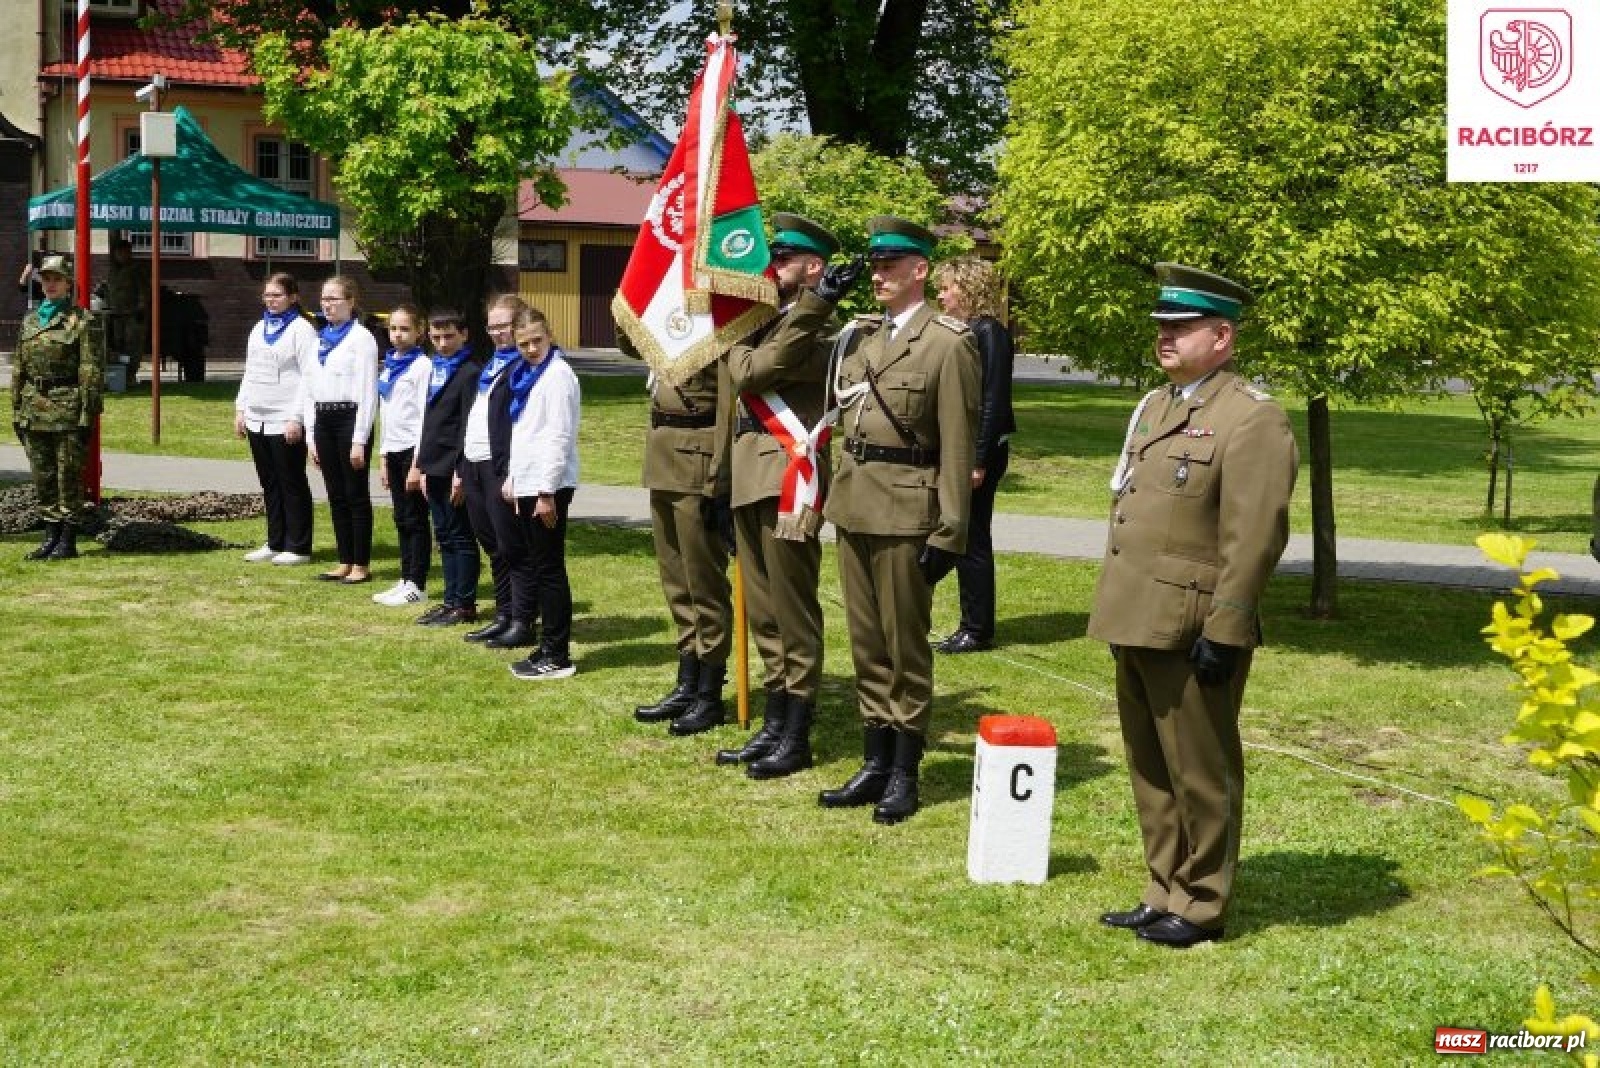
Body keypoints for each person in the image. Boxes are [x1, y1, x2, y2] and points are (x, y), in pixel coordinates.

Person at [1089, 263, 1298, 949]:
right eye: (1162, 327)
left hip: (1192, 624)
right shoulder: (1158, 404)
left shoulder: (1252, 418)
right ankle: (1164, 887)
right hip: (1138, 614)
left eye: (1181, 328)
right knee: (1151, 763)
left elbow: (1255, 534)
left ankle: (1204, 901)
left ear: (1223, 336)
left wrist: (1229, 624)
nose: (1166, 338)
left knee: (1200, 770)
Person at [817, 216, 980, 825]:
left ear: (920, 271)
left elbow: (959, 445)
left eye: (891, 265)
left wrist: (951, 531)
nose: (878, 274)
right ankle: (875, 759)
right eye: (875, 264)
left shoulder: (947, 342)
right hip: (856, 504)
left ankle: (905, 771)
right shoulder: (861, 338)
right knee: (866, 643)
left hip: (910, 512)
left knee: (904, 646)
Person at [712, 213, 855, 776]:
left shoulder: (822, 330)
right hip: (752, 475)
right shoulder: (773, 319)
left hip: (788, 477)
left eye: (785, 257)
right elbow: (739, 369)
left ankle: (795, 732)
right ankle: (775, 725)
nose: (771, 266)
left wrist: (816, 305)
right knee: (766, 612)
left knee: (793, 612)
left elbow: (751, 371)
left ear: (813, 267)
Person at [628, 330, 733, 735]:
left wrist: (720, 478)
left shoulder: (722, 326)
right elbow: (627, 339)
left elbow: (727, 407)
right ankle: (687, 680)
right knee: (676, 581)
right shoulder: (666, 321)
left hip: (698, 460)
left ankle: (709, 690)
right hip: (664, 456)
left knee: (703, 582)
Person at [930, 256, 1017, 654]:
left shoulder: (990, 332)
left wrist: (977, 460)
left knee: (972, 537)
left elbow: (993, 403)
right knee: (959, 533)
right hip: (959, 448)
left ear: (968, 288)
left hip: (979, 452)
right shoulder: (958, 331)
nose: (941, 294)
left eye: (948, 286)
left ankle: (977, 628)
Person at [502, 307, 582, 680]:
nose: (531, 348)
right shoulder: (528, 374)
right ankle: (548, 644)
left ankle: (557, 653)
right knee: (537, 563)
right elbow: (525, 433)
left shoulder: (558, 376)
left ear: (549, 335)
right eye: (523, 343)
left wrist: (546, 491)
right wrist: (515, 478)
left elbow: (558, 437)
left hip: (548, 485)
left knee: (549, 569)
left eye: (537, 340)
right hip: (530, 482)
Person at [11, 254, 104, 561]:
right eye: (46, 279)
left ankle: (68, 539)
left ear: (68, 284)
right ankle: (49, 537)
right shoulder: (31, 319)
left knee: (68, 476)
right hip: (33, 408)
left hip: (66, 408)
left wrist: (88, 413)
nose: (50, 284)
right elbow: (19, 367)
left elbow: (90, 370)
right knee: (43, 475)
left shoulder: (82, 321)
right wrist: (16, 407)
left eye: (57, 279)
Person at [459, 294, 538, 650]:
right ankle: (503, 615)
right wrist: (462, 467)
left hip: (501, 465)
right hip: (475, 462)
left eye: (503, 326)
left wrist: (514, 472)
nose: (496, 334)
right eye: (491, 327)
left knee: (513, 547)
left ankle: (523, 620)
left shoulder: (525, 365)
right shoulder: (491, 363)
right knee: (492, 544)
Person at [235, 272, 317, 566]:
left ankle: (298, 545)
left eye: (277, 295)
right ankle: (275, 540)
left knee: (290, 481)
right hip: (258, 415)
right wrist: (241, 409)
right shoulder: (259, 328)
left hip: (285, 418)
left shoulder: (302, 330)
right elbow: (251, 370)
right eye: (267, 295)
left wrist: (296, 417)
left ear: (293, 297)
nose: (271, 300)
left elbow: (309, 377)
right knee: (269, 482)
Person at [410, 308, 484, 627]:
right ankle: (450, 599)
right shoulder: (435, 368)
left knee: (460, 535)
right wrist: (423, 466)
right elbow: (430, 422)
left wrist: (460, 472)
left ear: (464, 335)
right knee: (444, 535)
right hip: (434, 464)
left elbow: (468, 424)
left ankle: (464, 604)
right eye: (436, 337)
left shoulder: (469, 371)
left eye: (449, 336)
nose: (441, 343)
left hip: (454, 466)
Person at [303, 275, 379, 584]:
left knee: (355, 493)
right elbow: (309, 388)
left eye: (334, 299)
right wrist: (311, 434)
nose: (328, 304)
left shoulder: (362, 339)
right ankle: (344, 559)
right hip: (324, 419)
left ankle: (361, 563)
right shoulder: (319, 338)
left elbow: (367, 391)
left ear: (351, 302)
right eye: (324, 299)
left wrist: (360, 438)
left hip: (350, 418)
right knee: (335, 494)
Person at [373, 303, 434, 607]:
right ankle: (405, 577)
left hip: (412, 451)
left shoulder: (422, 367)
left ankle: (418, 582)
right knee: (401, 517)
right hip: (393, 448)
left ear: (419, 332)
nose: (397, 335)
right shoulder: (390, 363)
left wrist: (417, 464)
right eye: (393, 329)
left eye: (404, 329)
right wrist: (383, 456)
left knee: (415, 518)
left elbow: (424, 416)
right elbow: (387, 412)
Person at [104, 238, 149, 385]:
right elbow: (109, 290)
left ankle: (130, 375)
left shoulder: (137, 269)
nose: (121, 256)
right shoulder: (113, 272)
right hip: (116, 315)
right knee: (118, 346)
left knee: (133, 346)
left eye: (124, 252)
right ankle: (121, 376)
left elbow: (144, 291)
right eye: (118, 253)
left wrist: (141, 308)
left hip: (132, 315)